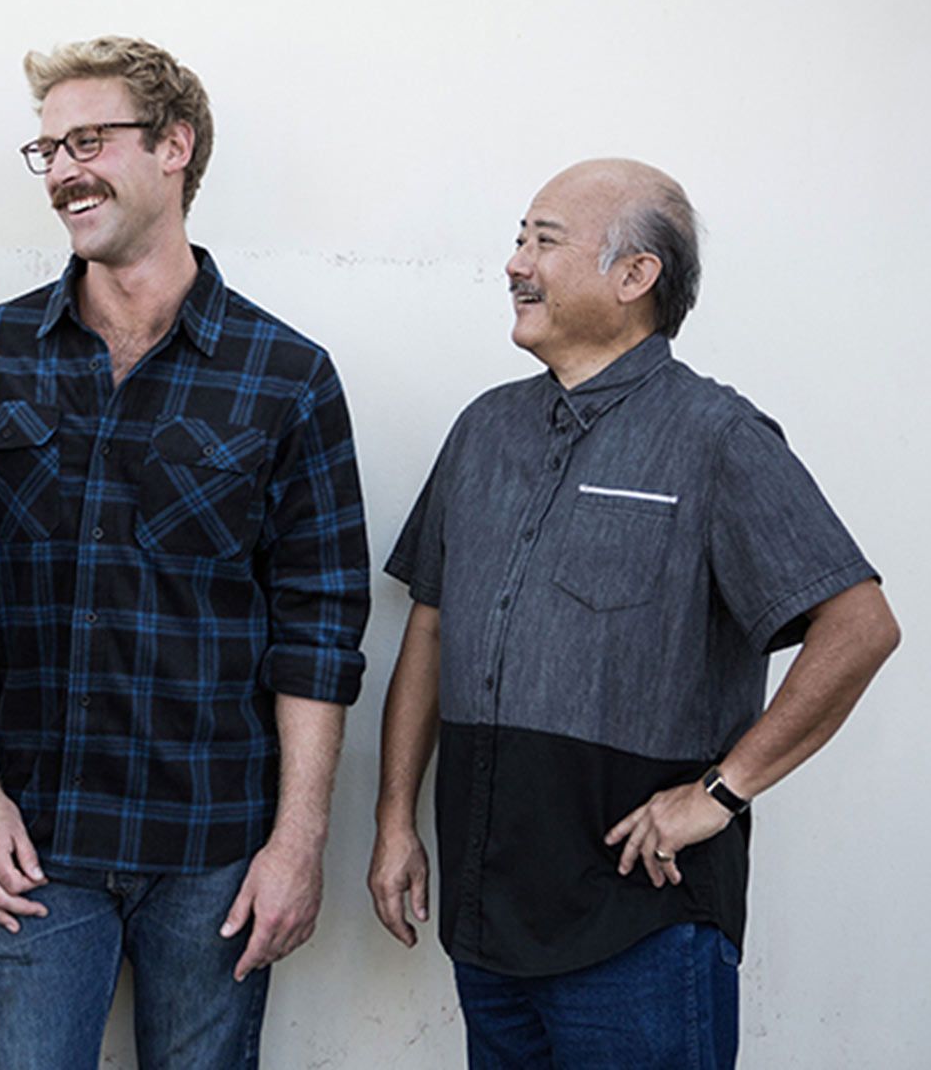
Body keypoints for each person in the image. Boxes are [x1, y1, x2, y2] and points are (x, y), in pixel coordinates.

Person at [368, 158, 900, 1068]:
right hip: (486, 921)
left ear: (633, 276)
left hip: (641, 930)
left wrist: (720, 794)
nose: (515, 263)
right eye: (518, 237)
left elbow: (861, 625)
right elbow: (431, 626)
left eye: (544, 239)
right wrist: (391, 822)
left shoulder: (718, 438)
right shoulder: (483, 432)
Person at [0, 37, 370, 1068]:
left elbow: (320, 629)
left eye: (88, 141)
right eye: (47, 149)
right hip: (32, 851)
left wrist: (298, 844)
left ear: (173, 148)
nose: (64, 169)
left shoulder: (284, 376)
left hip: (214, 849)